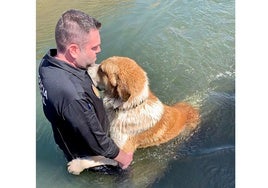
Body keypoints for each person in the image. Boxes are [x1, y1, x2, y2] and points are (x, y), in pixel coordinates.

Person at [38, 9, 133, 170]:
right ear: (74, 50)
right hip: (89, 153)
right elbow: (97, 142)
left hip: (76, 128)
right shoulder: (72, 95)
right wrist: (124, 158)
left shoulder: (48, 62)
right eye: (94, 47)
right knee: (126, 170)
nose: (99, 50)